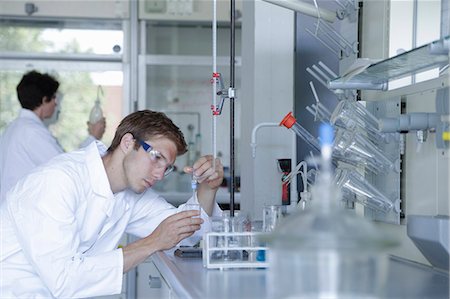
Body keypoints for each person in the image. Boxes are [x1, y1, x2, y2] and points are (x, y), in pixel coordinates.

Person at [0, 109, 224, 298]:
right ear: (128, 142)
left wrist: (208, 187)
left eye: (166, 168)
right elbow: (63, 280)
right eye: (157, 157)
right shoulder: (58, 181)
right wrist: (152, 242)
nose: (158, 174)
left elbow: (185, 232)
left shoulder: (129, 193)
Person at [0, 70, 63, 201]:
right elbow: (65, 166)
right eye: (53, 98)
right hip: (21, 212)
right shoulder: (32, 132)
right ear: (44, 100)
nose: (56, 103)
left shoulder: (14, 127)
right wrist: (93, 138)